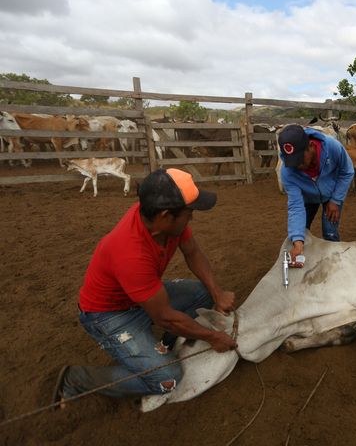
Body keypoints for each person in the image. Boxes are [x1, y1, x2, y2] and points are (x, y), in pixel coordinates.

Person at [53, 168, 237, 407]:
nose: (191, 217)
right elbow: (165, 318)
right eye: (188, 213)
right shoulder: (130, 252)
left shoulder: (168, 224)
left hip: (140, 299)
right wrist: (213, 337)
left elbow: (192, 251)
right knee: (166, 379)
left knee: (201, 293)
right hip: (108, 316)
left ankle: (164, 346)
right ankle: (76, 380)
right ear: (165, 216)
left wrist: (217, 292)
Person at [278, 124, 354, 267]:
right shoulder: (288, 172)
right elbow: (295, 206)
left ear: (310, 146)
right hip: (306, 198)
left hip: (332, 194)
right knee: (301, 232)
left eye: (300, 160)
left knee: (330, 232)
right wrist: (298, 243)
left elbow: (347, 171)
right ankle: (300, 252)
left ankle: (336, 266)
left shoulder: (333, 147)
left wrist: (335, 200)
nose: (298, 166)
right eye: (293, 162)